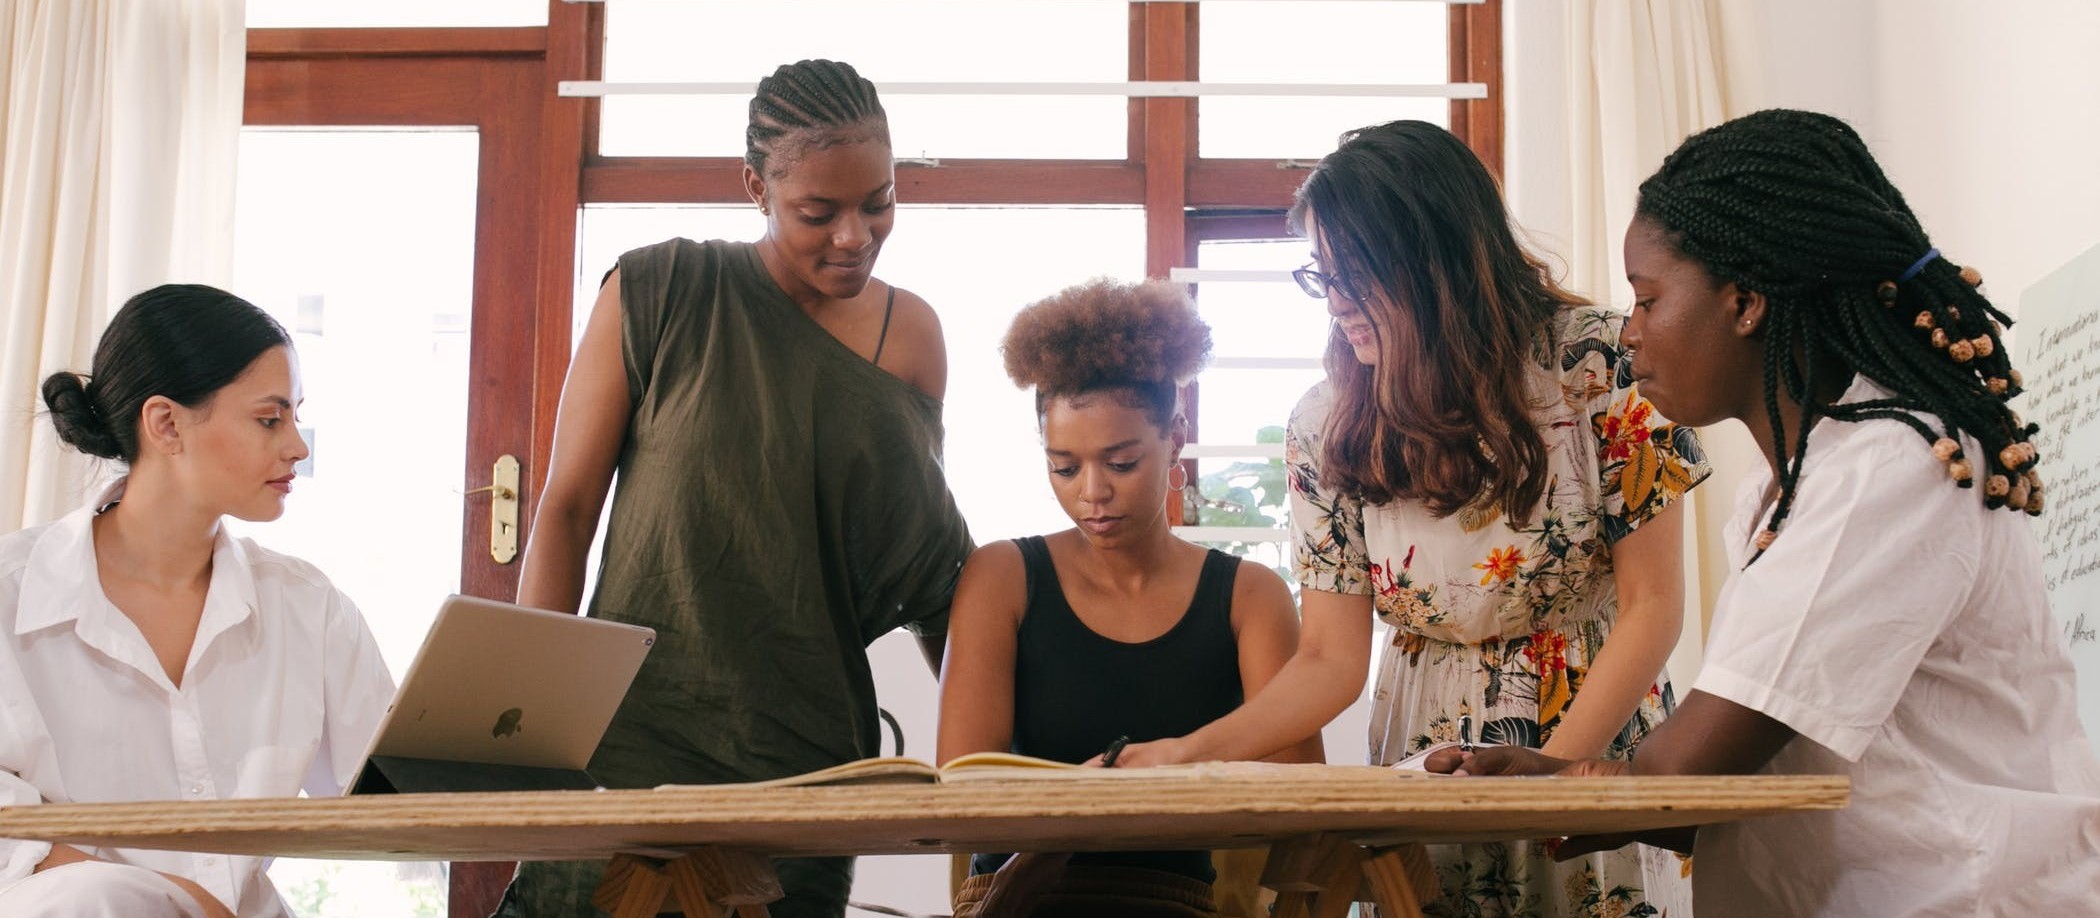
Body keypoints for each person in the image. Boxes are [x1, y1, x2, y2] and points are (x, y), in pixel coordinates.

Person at [1431, 108, 2100, 916]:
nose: (1632, 335)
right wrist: (1572, 780)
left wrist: (1578, 784)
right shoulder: (1785, 488)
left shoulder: (1890, 466)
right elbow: (1759, 781)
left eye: (1647, 300)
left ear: (1745, 303)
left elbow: (1690, 774)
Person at [1108, 121, 1710, 915]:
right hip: (1426, 756)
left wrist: (1550, 782)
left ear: (1438, 260)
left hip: (1589, 729)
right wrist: (1186, 755)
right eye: (1323, 276)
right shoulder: (1325, 424)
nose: (1338, 304)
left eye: (1357, 275)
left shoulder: (1600, 364)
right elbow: (1328, 657)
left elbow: (1653, 606)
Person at [495, 59, 973, 917]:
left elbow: (927, 565)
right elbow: (566, 509)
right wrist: (535, 729)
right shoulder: (659, 290)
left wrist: (997, 776)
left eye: (880, 203)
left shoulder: (913, 340)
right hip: (626, 756)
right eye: (817, 213)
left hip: (806, 774)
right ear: (756, 188)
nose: (854, 236)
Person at [0, 284, 395, 918]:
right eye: (270, 419)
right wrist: (174, 901)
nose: (298, 446)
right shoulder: (9, 597)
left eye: (295, 416)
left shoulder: (308, 609)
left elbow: (391, 801)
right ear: (165, 424)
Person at [936, 278, 1323, 918]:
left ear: (1175, 434)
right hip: (1013, 900)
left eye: (1120, 463)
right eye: (1064, 466)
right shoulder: (1001, 575)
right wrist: (1077, 817)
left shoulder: (1248, 597)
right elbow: (961, 795)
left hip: (1173, 904)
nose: (1092, 492)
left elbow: (1300, 801)